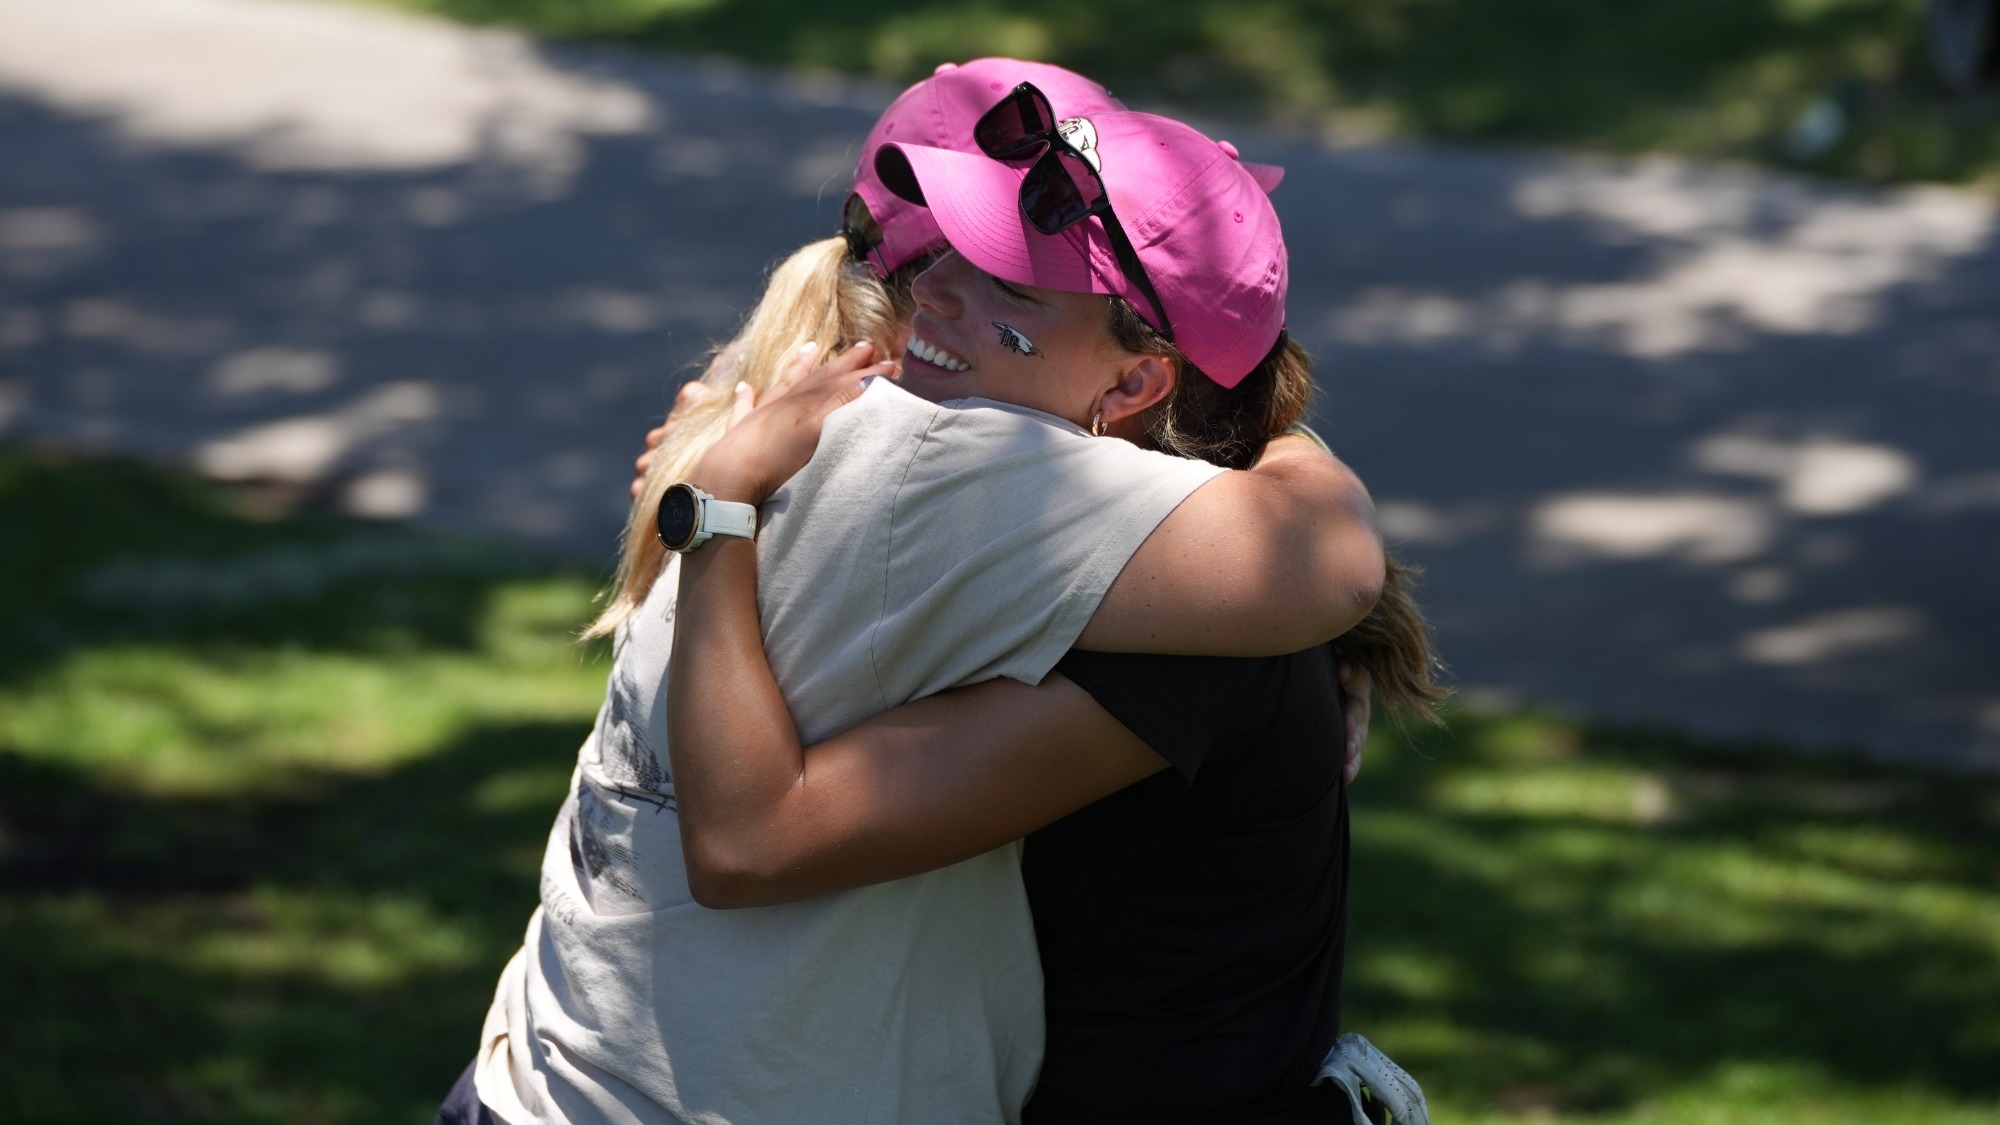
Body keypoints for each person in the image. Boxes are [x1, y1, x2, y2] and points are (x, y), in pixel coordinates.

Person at [454, 62, 1414, 1125]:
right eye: (949, 252)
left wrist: (715, 483)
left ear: (1138, 381)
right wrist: (1276, 437)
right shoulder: (961, 467)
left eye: (1012, 285)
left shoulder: (795, 411)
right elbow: (1329, 560)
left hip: (546, 1065)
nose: (942, 294)